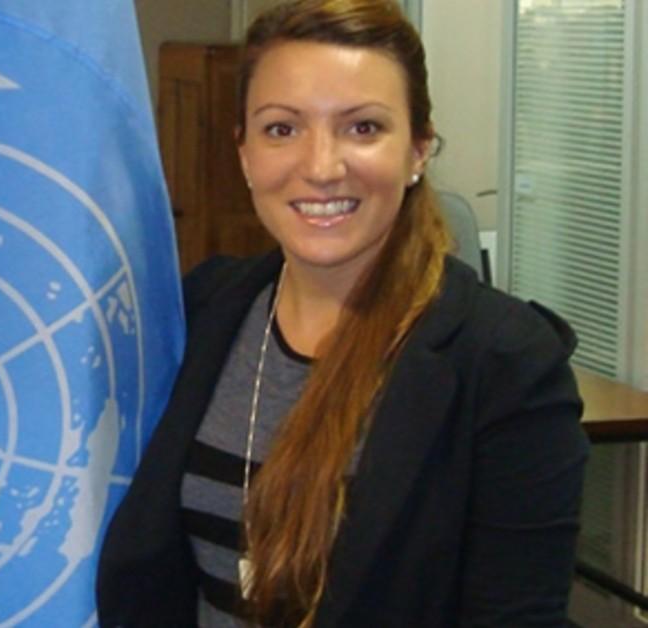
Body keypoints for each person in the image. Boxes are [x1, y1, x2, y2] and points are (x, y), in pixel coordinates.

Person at [96, 0, 589, 626]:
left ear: (418, 149)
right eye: (282, 128)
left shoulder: (504, 363)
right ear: (244, 153)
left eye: (362, 128)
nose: (321, 167)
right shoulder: (207, 307)